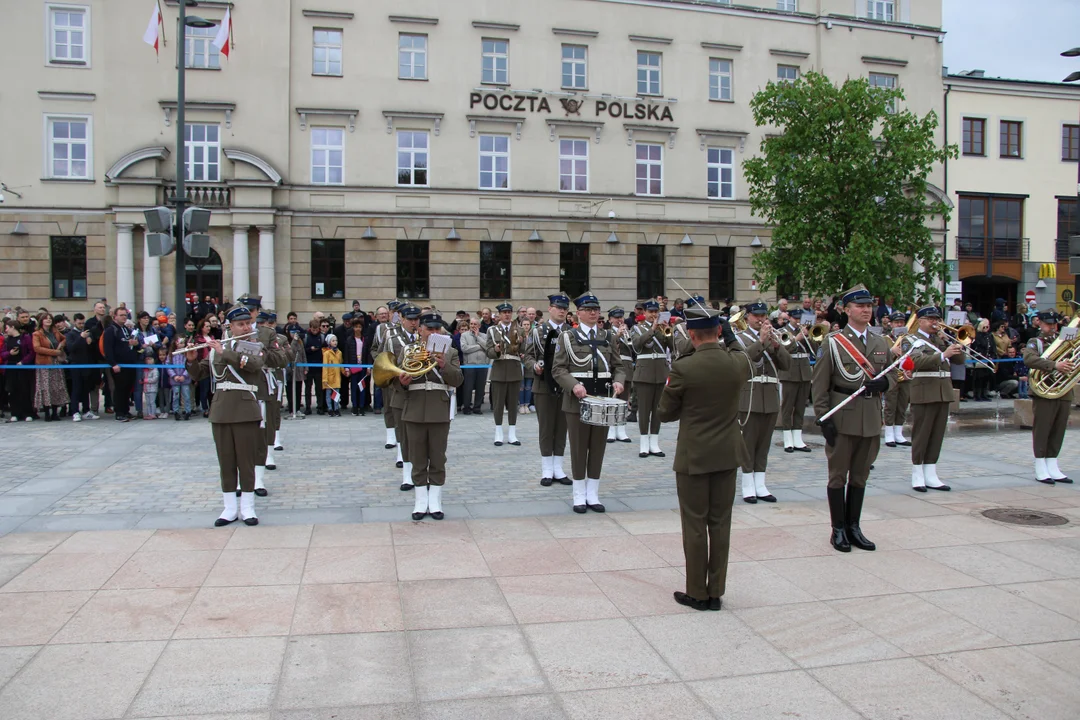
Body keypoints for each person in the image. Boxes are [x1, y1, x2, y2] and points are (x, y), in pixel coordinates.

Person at [658, 304, 750, 611]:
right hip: (727, 454)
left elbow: (665, 413)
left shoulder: (684, 367)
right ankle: (716, 592)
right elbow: (741, 354)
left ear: (692, 335)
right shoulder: (736, 363)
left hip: (694, 455)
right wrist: (732, 335)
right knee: (720, 524)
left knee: (695, 525)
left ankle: (697, 592)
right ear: (720, 332)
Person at [813, 284, 894, 553]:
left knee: (860, 476)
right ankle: (838, 529)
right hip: (842, 416)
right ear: (846, 310)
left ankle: (854, 527)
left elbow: (892, 374)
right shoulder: (833, 343)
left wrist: (885, 385)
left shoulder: (880, 342)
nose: (866, 310)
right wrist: (824, 419)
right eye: (860, 306)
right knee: (838, 476)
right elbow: (820, 385)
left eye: (869, 305)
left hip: (870, 417)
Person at [186, 306, 267, 526]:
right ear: (229, 327)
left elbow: (254, 365)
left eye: (247, 323)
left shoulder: (253, 346)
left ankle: (248, 508)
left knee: (246, 461)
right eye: (240, 324)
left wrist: (225, 352)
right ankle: (229, 508)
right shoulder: (215, 349)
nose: (245, 327)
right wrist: (192, 360)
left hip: (245, 409)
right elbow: (201, 373)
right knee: (226, 462)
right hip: (221, 411)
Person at [551, 292, 627, 513]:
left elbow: (618, 366)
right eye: (588, 309)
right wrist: (573, 384)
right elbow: (558, 368)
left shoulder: (608, 336)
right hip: (577, 400)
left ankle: (593, 494)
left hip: (602, 399)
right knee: (578, 447)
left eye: (596, 309)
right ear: (579, 313)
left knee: (597, 448)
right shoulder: (568, 337)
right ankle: (578, 495)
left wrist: (619, 382)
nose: (593, 312)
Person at [398, 311, 464, 520]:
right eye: (429, 329)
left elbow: (458, 380)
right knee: (417, 456)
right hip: (414, 408)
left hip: (439, 408)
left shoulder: (450, 351)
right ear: (420, 329)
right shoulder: (409, 350)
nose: (434, 332)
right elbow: (394, 383)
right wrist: (401, 381)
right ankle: (420, 501)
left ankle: (435, 500)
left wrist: (444, 365)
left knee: (437, 456)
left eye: (437, 329)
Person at [734, 301, 791, 503]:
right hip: (750, 395)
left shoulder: (772, 337)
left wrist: (775, 345)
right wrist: (760, 341)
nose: (760, 319)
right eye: (756, 316)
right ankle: (747, 485)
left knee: (764, 444)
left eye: (763, 315)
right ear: (747, 317)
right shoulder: (739, 338)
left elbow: (787, 364)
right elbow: (743, 360)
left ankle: (761, 484)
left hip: (770, 396)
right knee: (749, 442)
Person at [905, 306, 965, 492]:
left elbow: (960, 361)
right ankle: (917, 473)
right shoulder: (911, 339)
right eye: (930, 319)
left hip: (943, 391)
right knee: (922, 434)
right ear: (920, 321)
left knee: (937, 434)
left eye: (937, 319)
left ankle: (931, 471)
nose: (935, 322)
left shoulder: (940, 339)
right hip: (923, 392)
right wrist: (943, 354)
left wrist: (950, 343)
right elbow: (915, 361)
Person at [523, 294, 573, 486]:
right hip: (543, 385)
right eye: (558, 307)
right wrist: (534, 365)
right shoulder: (538, 331)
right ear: (550, 308)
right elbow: (528, 356)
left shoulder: (571, 331)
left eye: (565, 308)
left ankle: (558, 468)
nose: (562, 311)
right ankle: (546, 469)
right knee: (546, 428)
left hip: (566, 386)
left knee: (562, 427)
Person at [1022, 311, 1074, 484]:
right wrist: (1054, 365)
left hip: (1064, 390)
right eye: (1048, 324)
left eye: (1054, 324)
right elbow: (1029, 360)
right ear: (1040, 324)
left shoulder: (1064, 340)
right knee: (1043, 428)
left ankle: (1053, 463)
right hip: (1044, 391)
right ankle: (1040, 465)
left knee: (1059, 429)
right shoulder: (1035, 342)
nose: (1052, 327)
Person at [386, 304, 422, 490]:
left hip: (420, 393)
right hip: (400, 391)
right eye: (410, 319)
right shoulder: (392, 339)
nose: (413, 322)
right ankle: (407, 475)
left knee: (418, 436)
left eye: (416, 319)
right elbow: (386, 364)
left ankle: (420, 472)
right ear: (402, 319)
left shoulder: (424, 338)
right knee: (403, 434)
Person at [631, 299, 672, 457]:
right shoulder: (637, 328)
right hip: (645, 372)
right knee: (644, 409)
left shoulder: (663, 328)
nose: (653, 315)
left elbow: (673, 347)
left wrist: (667, 331)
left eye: (656, 312)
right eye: (651, 312)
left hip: (660, 372)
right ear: (645, 313)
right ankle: (643, 443)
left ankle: (654, 442)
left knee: (657, 409)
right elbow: (637, 345)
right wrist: (652, 329)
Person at [777, 311, 816, 453]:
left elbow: (816, 350)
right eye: (795, 318)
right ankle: (788, 438)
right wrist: (797, 339)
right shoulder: (782, 331)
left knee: (800, 406)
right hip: (789, 371)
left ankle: (798, 437)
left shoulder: (807, 331)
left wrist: (809, 336)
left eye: (800, 318)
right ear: (790, 319)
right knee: (788, 406)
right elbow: (782, 350)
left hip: (804, 372)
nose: (798, 321)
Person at [486, 302, 524, 447]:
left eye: (509, 312)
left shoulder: (519, 330)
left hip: (514, 369)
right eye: (504, 312)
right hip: (499, 369)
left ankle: (512, 433)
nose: (507, 314)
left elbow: (525, 350)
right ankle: (498, 432)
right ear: (500, 315)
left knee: (513, 404)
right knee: (498, 403)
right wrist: (495, 350)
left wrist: (522, 345)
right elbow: (488, 351)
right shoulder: (492, 330)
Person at [103, 307, 140, 422]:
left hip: (129, 364)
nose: (124, 317)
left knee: (127, 388)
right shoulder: (110, 330)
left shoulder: (125, 329)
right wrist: (113, 364)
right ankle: (119, 412)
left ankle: (125, 411)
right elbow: (107, 349)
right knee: (120, 389)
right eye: (121, 315)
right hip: (119, 365)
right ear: (115, 316)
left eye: (125, 315)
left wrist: (136, 344)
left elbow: (132, 344)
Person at [31, 313, 69, 422]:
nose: (48, 320)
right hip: (44, 364)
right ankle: (47, 412)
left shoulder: (55, 332)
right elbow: (37, 348)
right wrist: (54, 352)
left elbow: (65, 339)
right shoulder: (37, 334)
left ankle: (55, 412)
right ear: (41, 321)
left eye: (49, 319)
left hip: (56, 364)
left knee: (56, 387)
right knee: (46, 387)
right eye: (46, 319)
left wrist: (61, 345)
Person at [883, 311, 912, 448]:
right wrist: (891, 351)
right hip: (891, 375)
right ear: (891, 324)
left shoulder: (908, 339)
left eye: (901, 322)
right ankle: (889, 434)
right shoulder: (885, 339)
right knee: (891, 405)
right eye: (896, 322)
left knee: (902, 404)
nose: (899, 324)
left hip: (905, 376)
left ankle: (898, 433)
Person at [605, 307, 634, 443]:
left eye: (621, 317)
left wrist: (628, 336)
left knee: (623, 400)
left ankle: (621, 429)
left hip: (626, 368)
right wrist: (618, 335)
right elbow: (608, 346)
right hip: (613, 369)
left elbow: (634, 349)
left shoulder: (628, 332)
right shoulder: (607, 333)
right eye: (616, 318)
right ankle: (610, 429)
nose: (619, 320)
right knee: (612, 399)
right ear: (610, 319)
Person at [64, 313, 96, 421]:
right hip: (76, 364)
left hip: (86, 364)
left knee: (85, 388)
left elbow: (91, 349)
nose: (81, 325)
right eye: (79, 323)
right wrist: (81, 338)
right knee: (76, 388)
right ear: (74, 322)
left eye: (83, 323)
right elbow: (71, 348)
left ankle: (86, 410)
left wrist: (90, 342)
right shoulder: (70, 334)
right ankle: (75, 411)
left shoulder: (87, 333)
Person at [459, 317, 489, 415]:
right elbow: (464, 348)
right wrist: (479, 347)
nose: (473, 326)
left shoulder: (484, 336)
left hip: (482, 365)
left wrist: (477, 337)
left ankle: (477, 407)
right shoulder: (464, 335)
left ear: (479, 326)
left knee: (480, 387)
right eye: (471, 324)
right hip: (469, 365)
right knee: (468, 387)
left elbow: (487, 347)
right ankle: (467, 407)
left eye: (475, 324)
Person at [343, 316, 370, 416]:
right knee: (354, 388)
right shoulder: (349, 340)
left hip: (363, 367)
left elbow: (368, 354)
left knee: (362, 387)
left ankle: (361, 407)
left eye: (359, 327)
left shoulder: (365, 340)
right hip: (353, 367)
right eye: (356, 327)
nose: (358, 329)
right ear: (353, 328)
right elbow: (346, 355)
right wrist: (347, 368)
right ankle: (355, 407)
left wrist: (368, 367)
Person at [971, 318, 997, 401]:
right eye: (984, 327)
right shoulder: (977, 335)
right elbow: (976, 347)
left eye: (987, 327)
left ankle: (984, 394)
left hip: (988, 359)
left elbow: (993, 346)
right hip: (979, 358)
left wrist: (992, 355)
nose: (986, 328)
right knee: (979, 378)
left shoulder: (989, 336)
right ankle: (977, 395)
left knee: (986, 377)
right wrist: (981, 356)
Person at [303, 318, 324, 415]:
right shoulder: (306, 337)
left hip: (319, 366)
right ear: (310, 328)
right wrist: (310, 349)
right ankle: (308, 407)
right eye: (313, 329)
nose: (315, 331)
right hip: (309, 366)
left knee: (319, 388)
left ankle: (320, 406)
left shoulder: (322, 336)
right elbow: (303, 351)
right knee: (308, 388)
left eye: (316, 329)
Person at [169, 338, 193, 420]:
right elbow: (168, 366)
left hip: (185, 379)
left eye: (183, 343)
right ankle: (175, 411)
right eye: (180, 343)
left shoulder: (186, 354)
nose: (182, 344)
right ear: (176, 344)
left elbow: (189, 365)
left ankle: (187, 411)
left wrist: (184, 375)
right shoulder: (172, 355)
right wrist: (174, 376)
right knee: (175, 396)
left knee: (186, 396)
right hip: (175, 380)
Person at [322, 334, 343, 416]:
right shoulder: (326, 353)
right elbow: (325, 367)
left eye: (336, 340)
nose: (335, 342)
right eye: (333, 341)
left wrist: (344, 371)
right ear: (329, 342)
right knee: (328, 394)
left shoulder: (339, 353)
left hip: (337, 377)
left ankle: (336, 408)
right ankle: (330, 408)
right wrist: (324, 379)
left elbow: (341, 364)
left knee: (336, 394)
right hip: (329, 377)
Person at [141, 355, 160, 420]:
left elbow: (155, 379)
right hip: (146, 389)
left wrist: (145, 380)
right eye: (147, 364)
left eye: (150, 363)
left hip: (153, 389)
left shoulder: (155, 370)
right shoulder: (145, 371)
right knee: (148, 403)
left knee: (152, 402)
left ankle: (153, 414)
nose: (149, 365)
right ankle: (149, 414)